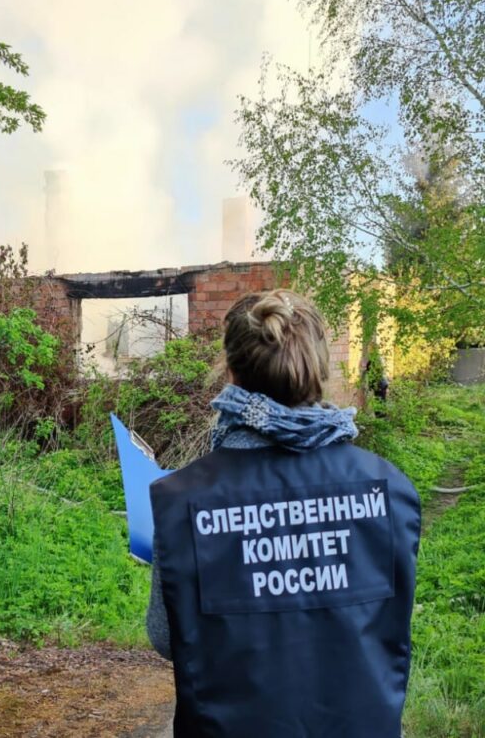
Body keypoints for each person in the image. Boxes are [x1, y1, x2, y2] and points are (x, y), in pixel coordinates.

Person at [146, 290, 420, 737]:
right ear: (319, 369)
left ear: (230, 372)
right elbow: (386, 625)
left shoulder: (183, 501)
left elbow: (165, 638)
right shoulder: (391, 491)